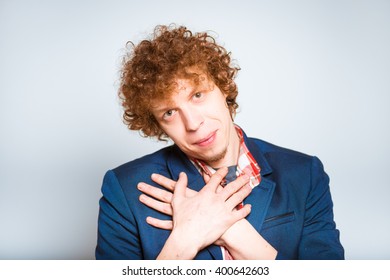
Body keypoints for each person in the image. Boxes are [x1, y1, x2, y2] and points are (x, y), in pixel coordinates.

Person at [95, 25, 344, 260]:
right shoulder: (124, 189)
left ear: (223, 87)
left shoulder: (304, 174)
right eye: (169, 113)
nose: (192, 123)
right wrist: (183, 243)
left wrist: (238, 235)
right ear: (157, 124)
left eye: (198, 95)